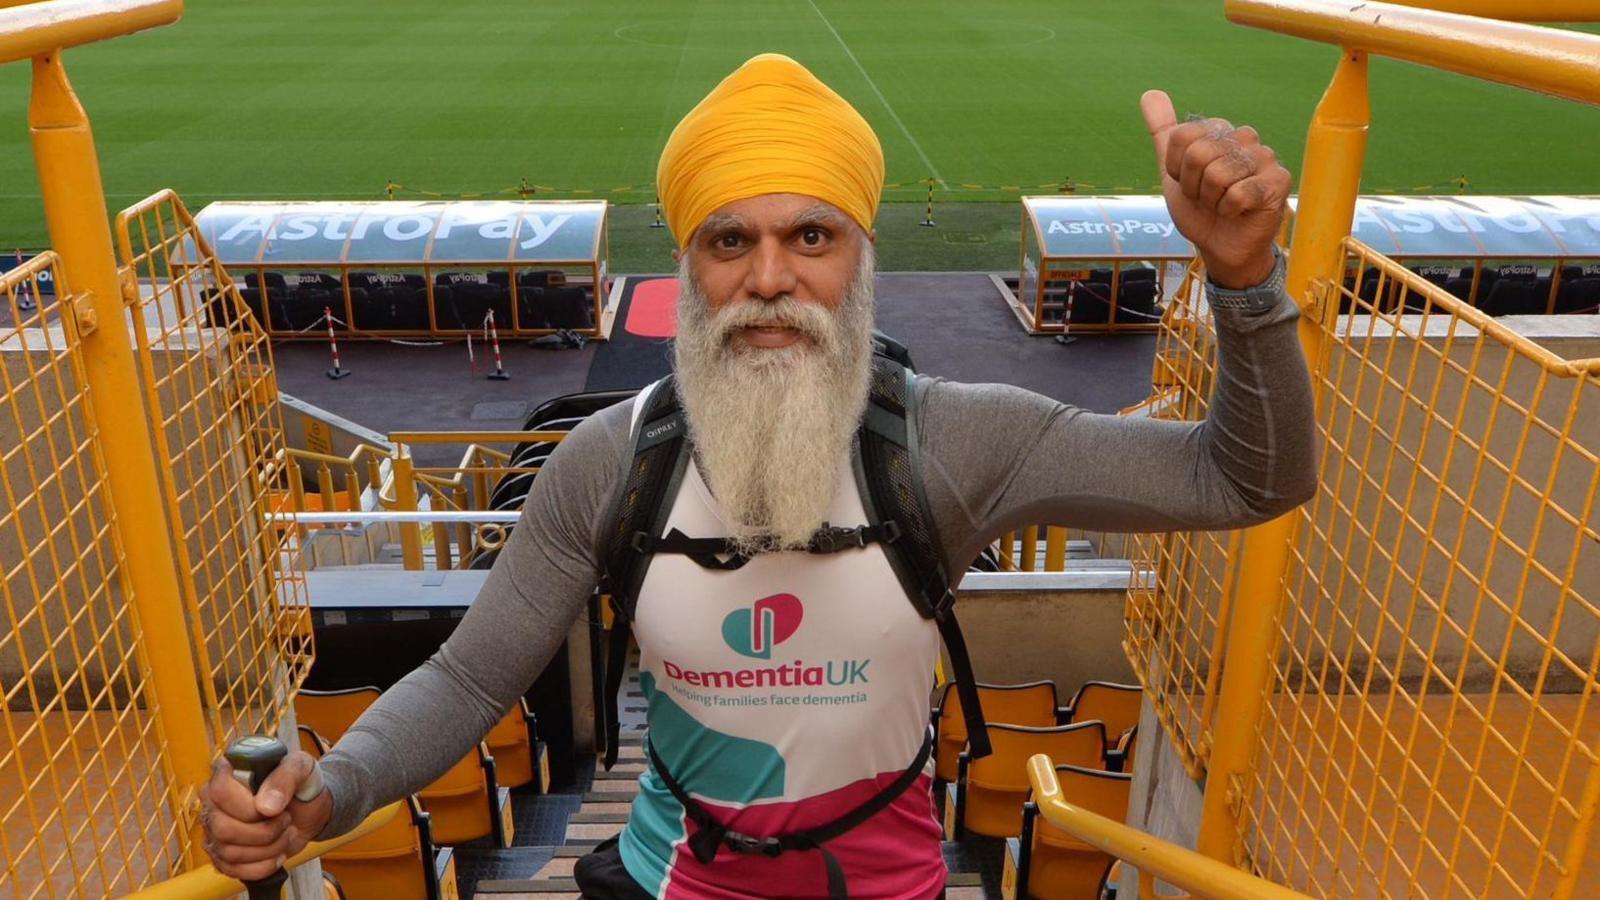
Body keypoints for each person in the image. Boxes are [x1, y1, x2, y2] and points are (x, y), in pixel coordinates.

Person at [200, 53, 1315, 899]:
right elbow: (467, 679)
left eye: (811, 238)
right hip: (669, 877)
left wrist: (1245, 278)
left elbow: (1245, 477)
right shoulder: (609, 461)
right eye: (728, 241)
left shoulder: (958, 443)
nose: (769, 278)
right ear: (686, 266)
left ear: (862, 258)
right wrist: (327, 792)